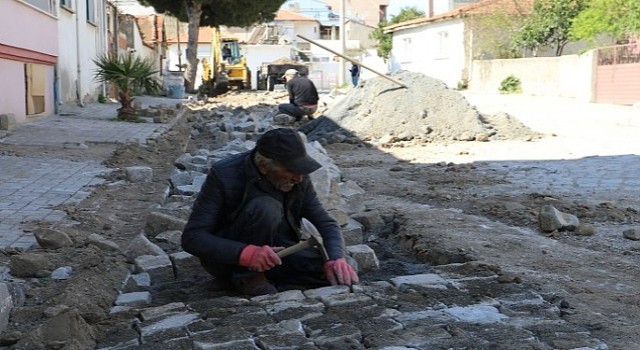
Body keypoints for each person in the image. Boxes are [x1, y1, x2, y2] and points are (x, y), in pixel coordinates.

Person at [181, 128, 359, 296]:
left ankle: (261, 277)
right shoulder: (224, 174)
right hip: (232, 257)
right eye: (291, 171)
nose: (299, 178)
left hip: (277, 252)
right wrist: (247, 254)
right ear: (264, 166)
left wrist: (336, 258)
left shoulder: (299, 178)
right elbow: (193, 237)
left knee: (339, 271)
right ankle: (247, 278)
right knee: (266, 207)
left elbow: (326, 223)